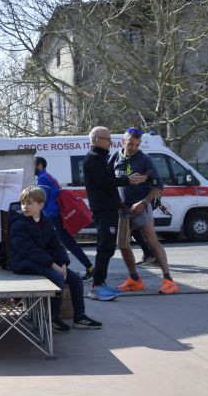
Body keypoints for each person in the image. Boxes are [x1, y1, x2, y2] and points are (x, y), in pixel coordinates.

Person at [10, 186, 103, 332]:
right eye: (23, 203)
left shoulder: (45, 221)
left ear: (41, 205)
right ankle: (52, 318)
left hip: (44, 262)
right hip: (24, 263)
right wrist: (54, 265)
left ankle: (80, 317)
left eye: (29, 203)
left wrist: (63, 263)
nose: (25, 207)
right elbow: (29, 251)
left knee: (76, 280)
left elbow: (56, 244)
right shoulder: (18, 224)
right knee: (58, 278)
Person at [112, 127, 179, 294]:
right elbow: (109, 182)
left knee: (152, 241)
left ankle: (169, 281)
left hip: (141, 207)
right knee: (123, 244)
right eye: (130, 144)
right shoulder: (114, 157)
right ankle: (135, 280)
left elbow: (158, 185)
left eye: (137, 144)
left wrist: (143, 203)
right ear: (123, 142)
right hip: (122, 209)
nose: (133, 147)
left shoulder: (144, 160)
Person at [83, 126, 147, 301]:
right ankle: (97, 286)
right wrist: (128, 180)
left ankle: (100, 283)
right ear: (97, 140)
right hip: (103, 210)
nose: (111, 143)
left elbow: (108, 186)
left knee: (108, 247)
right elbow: (104, 182)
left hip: (109, 208)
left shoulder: (101, 158)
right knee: (105, 247)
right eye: (107, 139)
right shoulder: (93, 159)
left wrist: (119, 204)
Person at [35, 157, 95, 279]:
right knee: (62, 243)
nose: (31, 168)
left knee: (66, 243)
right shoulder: (48, 176)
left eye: (33, 165)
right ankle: (83, 267)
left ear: (40, 165)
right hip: (55, 214)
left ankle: (87, 267)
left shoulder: (42, 178)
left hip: (52, 215)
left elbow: (42, 198)